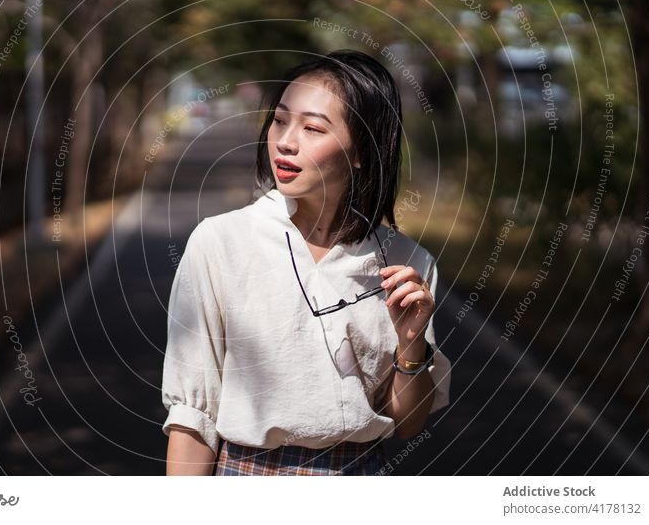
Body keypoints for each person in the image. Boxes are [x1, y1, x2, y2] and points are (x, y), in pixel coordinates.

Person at [161, 49, 451, 476]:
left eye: (313, 127)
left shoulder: (408, 263)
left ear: (362, 151)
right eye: (280, 120)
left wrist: (411, 345)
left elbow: (409, 423)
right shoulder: (220, 242)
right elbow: (192, 416)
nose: (285, 140)